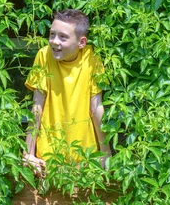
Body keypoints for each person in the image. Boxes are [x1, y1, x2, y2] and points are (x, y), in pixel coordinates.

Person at [23, 9, 111, 176]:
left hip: (86, 157)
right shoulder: (44, 55)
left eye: (63, 37)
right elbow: (37, 107)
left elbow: (96, 107)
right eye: (52, 34)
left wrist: (105, 152)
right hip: (48, 156)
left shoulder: (92, 58)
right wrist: (29, 154)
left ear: (81, 42)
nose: (55, 41)